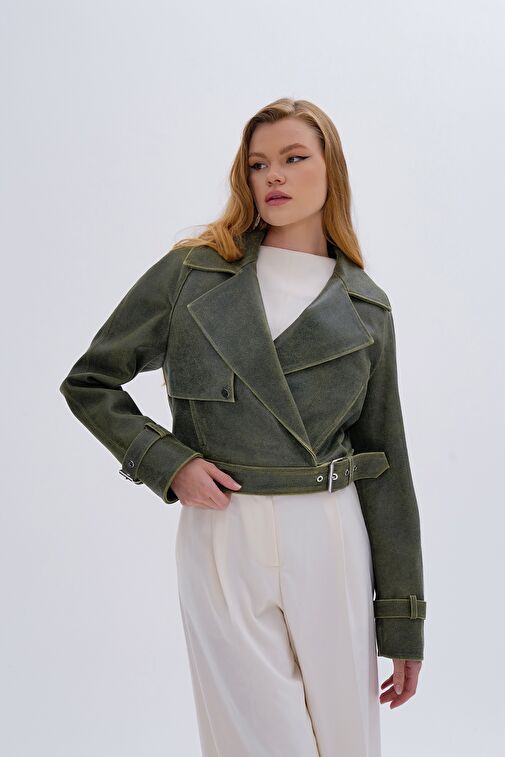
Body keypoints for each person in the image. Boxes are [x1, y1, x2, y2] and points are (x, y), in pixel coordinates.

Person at [60, 97, 426, 757]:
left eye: (293, 157)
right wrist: (169, 463)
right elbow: (91, 381)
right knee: (255, 742)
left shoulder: (366, 307)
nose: (273, 175)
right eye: (258, 164)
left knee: (346, 742)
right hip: (222, 528)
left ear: (331, 169)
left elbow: (386, 461)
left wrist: (402, 622)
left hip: (330, 532)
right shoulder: (193, 273)